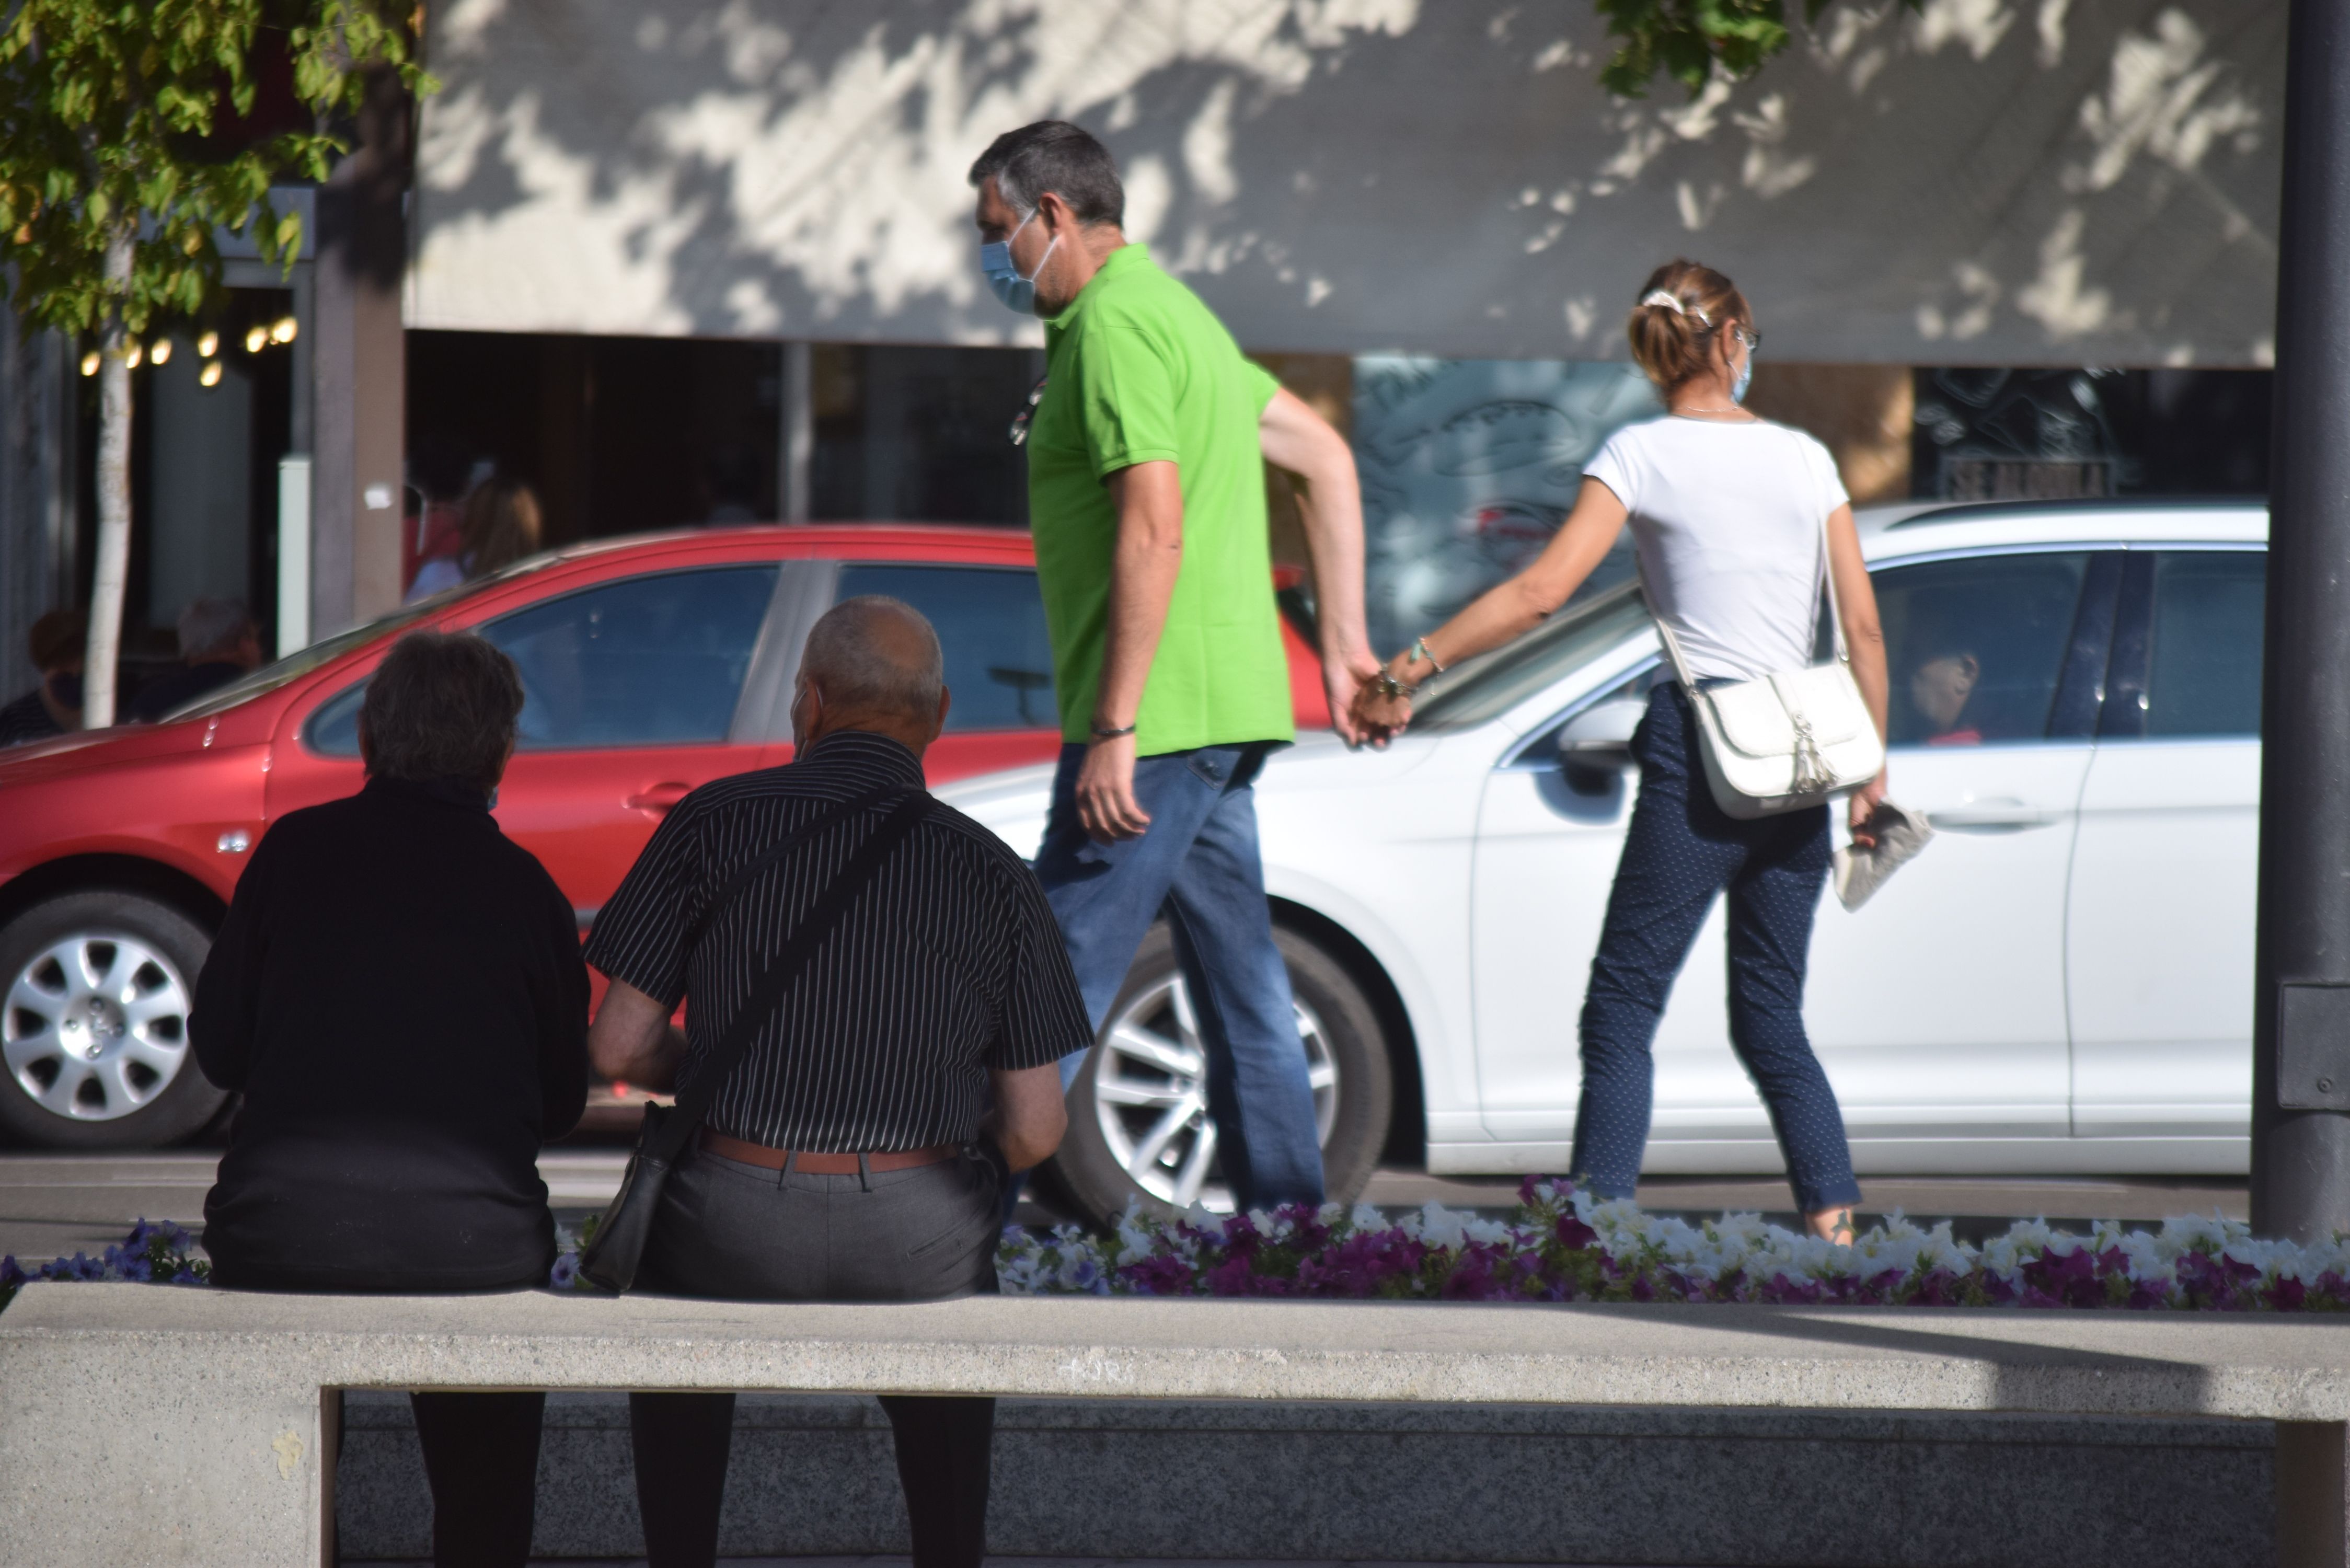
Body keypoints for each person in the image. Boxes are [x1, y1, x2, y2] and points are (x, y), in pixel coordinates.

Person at [1352, 260, 1890, 1244]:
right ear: (1730, 341)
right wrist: (1872, 778)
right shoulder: (1808, 460)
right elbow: (1862, 627)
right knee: (1770, 1020)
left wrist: (1407, 670)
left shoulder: (1638, 455)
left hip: (1702, 760)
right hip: (1803, 761)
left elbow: (1539, 594)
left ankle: (1595, 1239)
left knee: (1622, 1011)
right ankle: (1837, 1235)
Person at [584, 595, 1087, 1568]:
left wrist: (720, 1075)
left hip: (729, 1220)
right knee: (953, 1332)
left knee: (672, 1293)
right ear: (939, 716)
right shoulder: (992, 871)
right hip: (919, 1226)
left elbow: (618, 1049)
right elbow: (1034, 1129)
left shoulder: (710, 824)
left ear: (806, 703)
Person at [965, 120, 1378, 1214]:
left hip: (1159, 722)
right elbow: (1325, 459)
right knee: (1240, 977)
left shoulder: (1110, 326)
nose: (992, 260)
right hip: (1220, 708)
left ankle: (948, 1219)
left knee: (1055, 968)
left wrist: (1115, 728)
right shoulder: (1176, 313)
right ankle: (1285, 1230)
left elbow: (1152, 528)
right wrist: (1341, 652)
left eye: (996, 232)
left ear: (1054, 216)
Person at [191, 630, 589, 1567]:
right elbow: (563, 1102)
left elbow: (217, 1051)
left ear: (371, 736)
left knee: (270, 1459)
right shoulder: (526, 887)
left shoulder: (293, 854)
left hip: (281, 1229)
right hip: (474, 1243)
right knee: (484, 1492)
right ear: (499, 753)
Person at [407, 476, 544, 602]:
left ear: (474, 517)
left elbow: (406, 625)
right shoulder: (547, 585)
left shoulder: (438, 574)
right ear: (532, 523)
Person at [126, 597, 263, 722]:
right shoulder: (262, 697)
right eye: (256, 639)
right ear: (245, 644)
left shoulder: (151, 700)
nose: (261, 649)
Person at [0, 608, 86, 746]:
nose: (74, 678)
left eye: (83, 673)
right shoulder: (13, 725)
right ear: (44, 667)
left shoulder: (115, 715)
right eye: (64, 673)